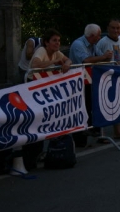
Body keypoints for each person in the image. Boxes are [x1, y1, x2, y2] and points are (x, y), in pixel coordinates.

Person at [26, 28, 72, 170]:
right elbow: (35, 64)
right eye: (54, 41)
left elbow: (68, 59)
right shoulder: (41, 51)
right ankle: (31, 154)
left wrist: (66, 64)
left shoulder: (57, 53)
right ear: (46, 42)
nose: (57, 43)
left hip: (45, 89)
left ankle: (43, 150)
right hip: (32, 87)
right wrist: (56, 61)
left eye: (58, 41)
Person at [69, 24, 112, 147]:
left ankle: (91, 131)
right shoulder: (78, 44)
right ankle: (80, 137)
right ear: (92, 36)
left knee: (90, 106)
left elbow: (99, 57)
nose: (100, 37)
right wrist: (103, 57)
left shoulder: (93, 45)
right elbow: (86, 60)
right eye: (98, 35)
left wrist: (107, 56)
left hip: (89, 81)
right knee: (81, 108)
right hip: (78, 83)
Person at [96, 19, 120, 140]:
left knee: (117, 105)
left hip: (118, 77)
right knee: (105, 105)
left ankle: (117, 131)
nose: (115, 30)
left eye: (118, 28)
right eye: (113, 28)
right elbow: (97, 59)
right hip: (105, 78)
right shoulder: (102, 42)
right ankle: (103, 134)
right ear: (108, 28)